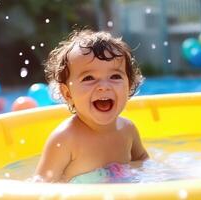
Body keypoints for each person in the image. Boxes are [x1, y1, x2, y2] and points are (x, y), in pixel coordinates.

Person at [35, 29, 149, 183]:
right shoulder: (64, 139)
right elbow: (41, 187)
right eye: (89, 78)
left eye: (115, 76)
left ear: (129, 85)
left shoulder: (128, 130)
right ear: (67, 93)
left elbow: (144, 161)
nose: (104, 86)